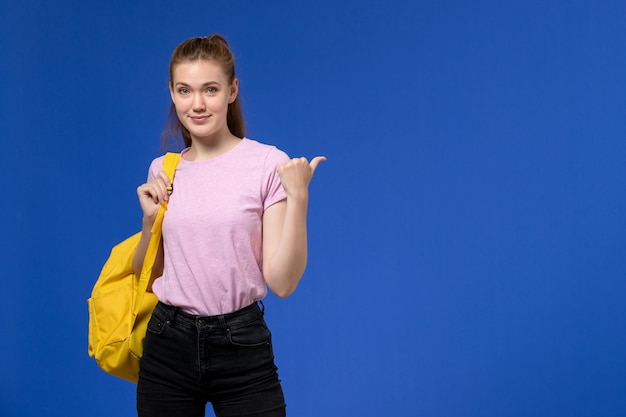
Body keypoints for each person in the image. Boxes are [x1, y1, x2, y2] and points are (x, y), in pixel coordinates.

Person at [132, 34, 325, 417]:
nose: (197, 104)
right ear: (171, 93)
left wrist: (299, 197)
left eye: (211, 89)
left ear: (232, 90)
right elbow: (146, 274)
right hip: (167, 341)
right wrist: (149, 221)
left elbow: (282, 283)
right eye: (185, 90)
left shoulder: (267, 164)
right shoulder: (163, 170)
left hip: (241, 345)